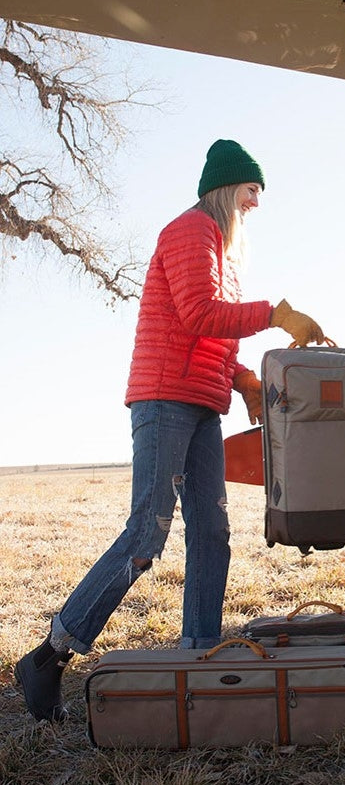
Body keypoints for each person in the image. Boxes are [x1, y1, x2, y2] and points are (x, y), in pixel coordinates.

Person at [15, 139, 327, 722]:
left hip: (203, 403)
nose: (256, 203)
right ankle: (49, 656)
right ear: (227, 188)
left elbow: (208, 335)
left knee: (211, 529)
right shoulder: (190, 231)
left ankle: (201, 652)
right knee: (147, 534)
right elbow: (198, 314)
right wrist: (276, 314)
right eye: (252, 191)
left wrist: (242, 381)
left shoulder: (223, 253)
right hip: (164, 400)